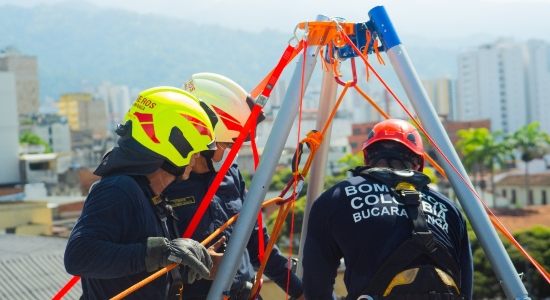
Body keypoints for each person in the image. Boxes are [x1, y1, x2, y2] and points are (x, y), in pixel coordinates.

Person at [64, 86, 223, 300]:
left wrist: (186, 261)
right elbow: (79, 255)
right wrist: (163, 252)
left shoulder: (151, 196)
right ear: (173, 144)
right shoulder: (118, 189)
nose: (196, 158)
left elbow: (138, 268)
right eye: (195, 149)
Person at [162, 73, 305, 300]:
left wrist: (299, 292)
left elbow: (259, 245)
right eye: (227, 143)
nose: (230, 151)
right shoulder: (164, 184)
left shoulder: (230, 174)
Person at [302, 119, 473, 300]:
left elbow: (316, 287)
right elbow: (466, 288)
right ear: (418, 164)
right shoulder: (449, 209)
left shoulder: (336, 197)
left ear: (367, 158)